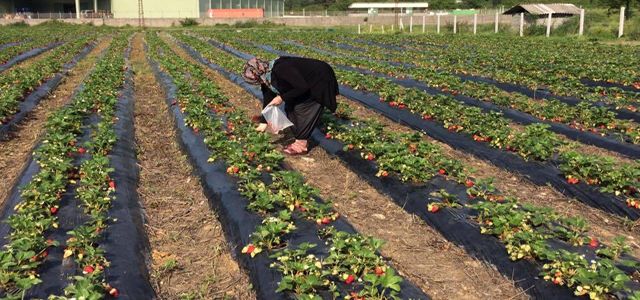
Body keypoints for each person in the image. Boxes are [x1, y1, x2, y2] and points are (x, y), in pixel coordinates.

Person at [242, 56, 339, 155]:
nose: (259, 82)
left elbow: (302, 87)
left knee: (303, 109)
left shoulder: (281, 69)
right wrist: (264, 121)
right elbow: (268, 97)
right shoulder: (266, 76)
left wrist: (281, 98)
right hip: (302, 84)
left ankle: (301, 146)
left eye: (257, 80)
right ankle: (300, 136)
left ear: (258, 73)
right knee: (290, 107)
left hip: (319, 78)